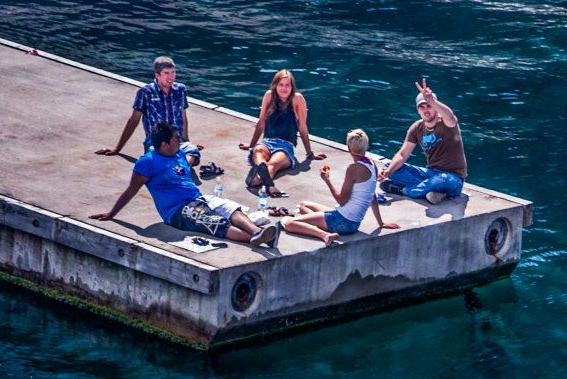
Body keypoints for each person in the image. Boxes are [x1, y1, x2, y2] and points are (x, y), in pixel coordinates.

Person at [92, 123, 279, 249]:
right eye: (175, 138)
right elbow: (131, 190)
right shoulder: (147, 163)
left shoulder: (178, 154)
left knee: (230, 209)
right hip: (178, 210)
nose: (179, 140)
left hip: (198, 197)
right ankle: (261, 239)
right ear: (164, 144)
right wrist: (111, 214)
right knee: (216, 222)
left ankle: (258, 232)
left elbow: (185, 168)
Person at [279, 130, 397, 246]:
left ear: (348, 148)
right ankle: (312, 225)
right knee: (303, 206)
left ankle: (323, 234)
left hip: (341, 221)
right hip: (353, 223)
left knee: (287, 222)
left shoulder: (353, 168)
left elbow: (341, 200)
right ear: (365, 146)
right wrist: (380, 222)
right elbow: (372, 195)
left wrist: (327, 180)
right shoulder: (372, 164)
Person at [96, 56, 201, 171]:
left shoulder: (181, 90)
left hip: (177, 141)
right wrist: (118, 148)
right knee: (153, 158)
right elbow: (134, 121)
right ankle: (177, 168)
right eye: (166, 73)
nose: (171, 77)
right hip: (156, 143)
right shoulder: (145, 92)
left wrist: (186, 141)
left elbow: (183, 117)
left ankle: (180, 169)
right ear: (157, 75)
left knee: (193, 151)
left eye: (173, 72)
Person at [379, 78, 467, 205]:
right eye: (422, 107)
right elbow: (402, 155)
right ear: (418, 110)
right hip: (430, 174)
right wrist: (388, 172)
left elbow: (450, 116)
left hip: (453, 178)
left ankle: (404, 190)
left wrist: (433, 101)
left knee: (441, 180)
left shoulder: (447, 124)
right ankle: (431, 192)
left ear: (435, 108)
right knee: (388, 165)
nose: (426, 110)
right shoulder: (416, 128)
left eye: (429, 106)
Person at [244, 69, 318, 197]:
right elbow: (261, 122)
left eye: (287, 85)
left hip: (285, 147)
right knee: (258, 151)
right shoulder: (269, 96)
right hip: (267, 142)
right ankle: (268, 183)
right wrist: (251, 145)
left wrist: (310, 154)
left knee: (272, 164)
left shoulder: (297, 99)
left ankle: (260, 176)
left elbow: (302, 127)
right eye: (281, 85)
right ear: (275, 85)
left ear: (292, 86)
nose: (284, 88)